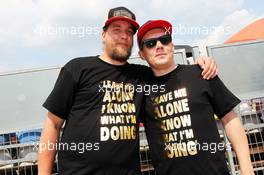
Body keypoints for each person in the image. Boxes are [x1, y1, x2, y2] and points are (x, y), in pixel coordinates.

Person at [38, 7, 217, 175]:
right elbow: (52, 124)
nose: (124, 36)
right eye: (117, 29)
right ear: (103, 35)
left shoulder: (143, 76)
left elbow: (171, 72)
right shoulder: (78, 68)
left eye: (129, 32)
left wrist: (201, 64)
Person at [137, 20, 254, 175]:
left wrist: (247, 168)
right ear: (142, 55)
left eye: (165, 40)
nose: (159, 46)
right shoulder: (140, 91)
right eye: (150, 43)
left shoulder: (202, 73)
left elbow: (230, 119)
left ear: (172, 45)